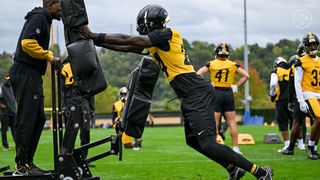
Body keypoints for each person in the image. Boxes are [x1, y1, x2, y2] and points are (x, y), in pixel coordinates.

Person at [78, 4, 273, 179]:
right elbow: (127, 46)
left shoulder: (167, 34)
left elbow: (131, 39)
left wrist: (94, 35)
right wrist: (95, 41)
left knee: (208, 143)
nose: (140, 28)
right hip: (190, 94)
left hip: (197, 92)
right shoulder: (157, 44)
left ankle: (260, 172)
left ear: (150, 23)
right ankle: (233, 169)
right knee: (193, 141)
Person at [9, 0, 61, 176]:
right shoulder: (39, 17)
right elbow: (27, 43)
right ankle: (21, 165)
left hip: (32, 74)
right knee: (27, 118)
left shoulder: (45, 19)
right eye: (60, 6)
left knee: (39, 119)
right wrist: (49, 56)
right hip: (25, 72)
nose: (62, 10)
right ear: (50, 5)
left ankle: (28, 162)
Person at [197, 42, 250, 154]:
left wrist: (208, 84)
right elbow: (246, 76)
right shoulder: (232, 64)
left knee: (215, 122)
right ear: (227, 54)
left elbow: (198, 74)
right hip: (228, 93)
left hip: (216, 92)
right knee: (232, 122)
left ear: (217, 53)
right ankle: (236, 148)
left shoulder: (211, 64)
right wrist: (236, 86)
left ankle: (215, 147)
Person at [60, 62, 94, 165]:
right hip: (70, 99)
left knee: (86, 130)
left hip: (83, 99)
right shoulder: (64, 68)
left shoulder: (86, 66)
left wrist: (92, 108)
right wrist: (63, 105)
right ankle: (68, 158)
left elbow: (91, 90)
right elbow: (61, 90)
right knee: (70, 132)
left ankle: (82, 159)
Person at [294, 32, 320, 159]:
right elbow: (297, 82)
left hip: (319, 93)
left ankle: (314, 148)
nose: (313, 47)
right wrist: (300, 100)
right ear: (305, 46)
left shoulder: (319, 60)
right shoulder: (301, 61)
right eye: (310, 45)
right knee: (319, 119)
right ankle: (310, 147)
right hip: (308, 93)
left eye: (315, 44)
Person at [282, 44, 308, 155]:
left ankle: (292, 147)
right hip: (315, 94)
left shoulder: (297, 65)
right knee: (316, 121)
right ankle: (311, 145)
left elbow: (293, 84)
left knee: (297, 121)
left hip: (301, 96)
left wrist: (290, 100)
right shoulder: (315, 61)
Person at [269, 57, 293, 152]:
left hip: (281, 99)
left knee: (283, 122)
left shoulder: (276, 71)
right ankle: (300, 144)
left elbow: (273, 84)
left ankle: (287, 144)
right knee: (296, 121)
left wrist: (272, 94)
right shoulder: (292, 68)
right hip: (293, 99)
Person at [0, 75, 16, 151]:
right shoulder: (1, 87)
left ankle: (18, 144)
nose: (9, 81)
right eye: (7, 80)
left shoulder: (12, 88)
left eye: (9, 80)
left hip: (13, 112)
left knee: (15, 130)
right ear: (5, 80)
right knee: (4, 130)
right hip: (5, 113)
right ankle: (5, 146)